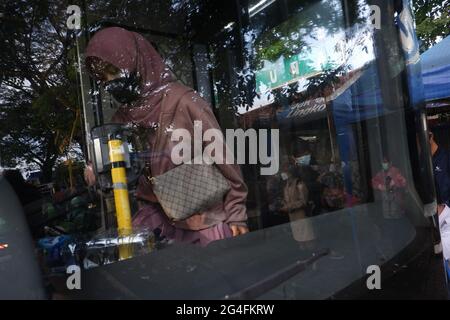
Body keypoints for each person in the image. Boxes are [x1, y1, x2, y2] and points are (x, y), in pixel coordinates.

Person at [84, 27, 248, 246]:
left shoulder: (184, 102)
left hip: (204, 224)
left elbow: (224, 159)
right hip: (158, 229)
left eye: (114, 70)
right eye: (103, 77)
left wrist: (236, 212)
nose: (110, 82)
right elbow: (115, 168)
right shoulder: (121, 120)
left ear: (136, 62)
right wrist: (96, 171)